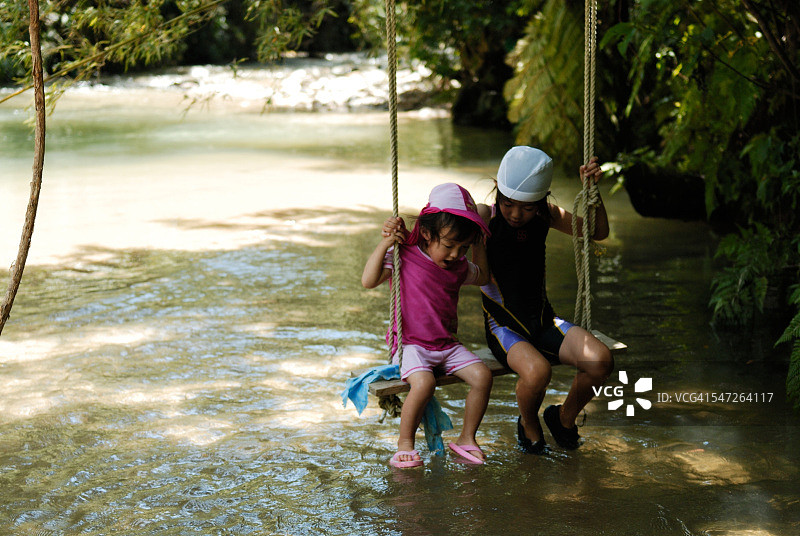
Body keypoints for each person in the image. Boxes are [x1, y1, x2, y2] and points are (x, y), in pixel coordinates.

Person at [478, 146, 613, 453]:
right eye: (508, 203)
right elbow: (441, 230)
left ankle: (562, 419)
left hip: (543, 321)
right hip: (503, 328)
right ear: (497, 190)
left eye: (526, 207)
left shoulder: (545, 216)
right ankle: (528, 423)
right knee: (539, 372)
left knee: (601, 361)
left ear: (542, 199)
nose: (515, 214)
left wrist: (593, 191)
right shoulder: (484, 216)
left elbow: (597, 231)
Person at [362, 183, 494, 468]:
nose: (455, 255)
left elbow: (483, 276)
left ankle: (466, 438)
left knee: (483, 377)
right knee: (424, 383)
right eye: (448, 246)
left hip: (446, 345)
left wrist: (479, 243)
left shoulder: (458, 267)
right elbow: (368, 280)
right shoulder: (404, 257)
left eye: (463, 248)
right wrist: (385, 243)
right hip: (411, 345)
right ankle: (404, 445)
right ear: (425, 232)